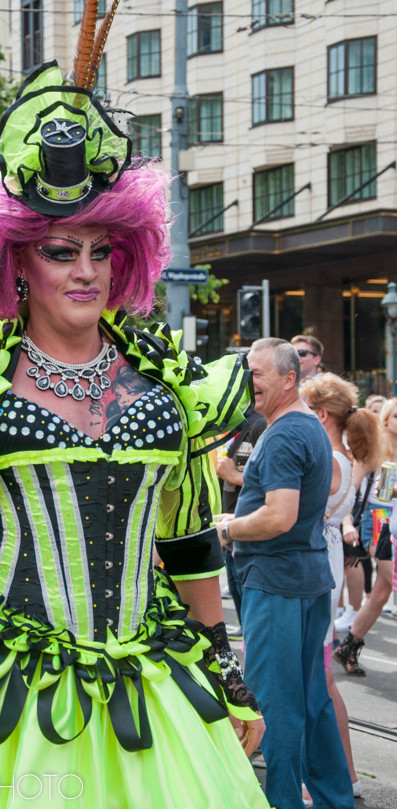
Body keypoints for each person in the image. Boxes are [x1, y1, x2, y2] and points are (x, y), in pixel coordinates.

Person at [0, 0, 269, 807]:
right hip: (9, 708)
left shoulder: (168, 387)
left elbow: (188, 542)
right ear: (16, 261)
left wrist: (226, 673)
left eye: (99, 250)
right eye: (60, 250)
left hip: (154, 695)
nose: (84, 271)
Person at [216, 337, 354, 809]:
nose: (246, 380)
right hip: (306, 576)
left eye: (256, 373)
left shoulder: (285, 432)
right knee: (311, 701)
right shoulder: (306, 425)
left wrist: (230, 528)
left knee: (273, 707)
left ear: (289, 379)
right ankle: (334, 798)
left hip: (278, 582)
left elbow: (278, 516)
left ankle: (280, 802)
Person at [301, 373, 383, 800]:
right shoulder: (342, 456)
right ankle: (342, 774)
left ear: (321, 414)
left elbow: (293, 515)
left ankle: (326, 778)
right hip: (325, 563)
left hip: (318, 568)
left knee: (317, 681)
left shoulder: (331, 459)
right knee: (320, 679)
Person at [335, 396, 397, 676]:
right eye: (396, 416)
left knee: (381, 595)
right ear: (385, 420)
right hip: (378, 527)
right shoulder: (374, 451)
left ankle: (348, 646)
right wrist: (346, 523)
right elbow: (349, 492)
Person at [216, 411, 266, 632]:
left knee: (254, 618)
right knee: (240, 602)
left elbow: (272, 482)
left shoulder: (261, 423)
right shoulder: (240, 422)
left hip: (245, 530)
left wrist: (233, 476)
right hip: (231, 527)